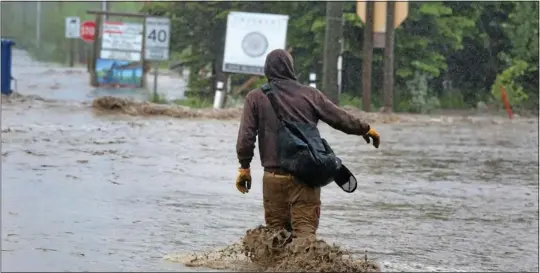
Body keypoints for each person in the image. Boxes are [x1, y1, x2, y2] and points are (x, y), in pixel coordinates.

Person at [235, 49, 380, 239]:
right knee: (305, 234)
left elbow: (245, 138)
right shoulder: (310, 95)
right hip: (305, 175)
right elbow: (339, 118)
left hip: (273, 177)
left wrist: (244, 169)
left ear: (266, 70)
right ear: (291, 68)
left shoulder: (255, 97)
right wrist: (365, 129)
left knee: (275, 236)